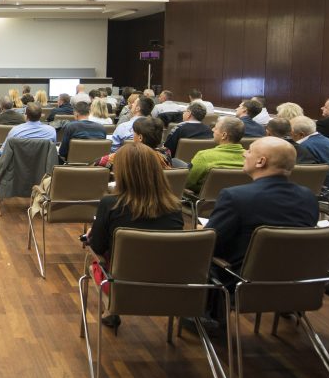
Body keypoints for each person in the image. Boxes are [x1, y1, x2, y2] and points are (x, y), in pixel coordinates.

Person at [85, 143, 185, 331]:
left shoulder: (110, 204)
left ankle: (111, 310)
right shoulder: (175, 206)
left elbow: (97, 247)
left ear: (121, 172)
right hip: (169, 287)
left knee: (96, 262)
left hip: (120, 286)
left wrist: (93, 234)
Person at [205, 136, 320, 269]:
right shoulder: (309, 196)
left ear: (261, 161)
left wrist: (204, 231)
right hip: (298, 275)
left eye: (249, 151)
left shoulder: (234, 196)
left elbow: (210, 244)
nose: (244, 153)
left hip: (238, 276)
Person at [184, 116, 246, 191]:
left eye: (215, 128)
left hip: (202, 197)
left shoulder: (204, 156)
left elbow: (187, 183)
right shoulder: (250, 158)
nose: (212, 129)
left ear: (224, 135)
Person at [291, 115, 329, 191]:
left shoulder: (303, 147)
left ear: (301, 134)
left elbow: (300, 176)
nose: (289, 135)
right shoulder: (328, 140)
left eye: (291, 132)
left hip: (322, 190)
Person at [99, 117, 170, 170]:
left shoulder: (125, 154)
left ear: (140, 137)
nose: (133, 135)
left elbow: (99, 162)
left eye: (134, 132)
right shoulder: (165, 154)